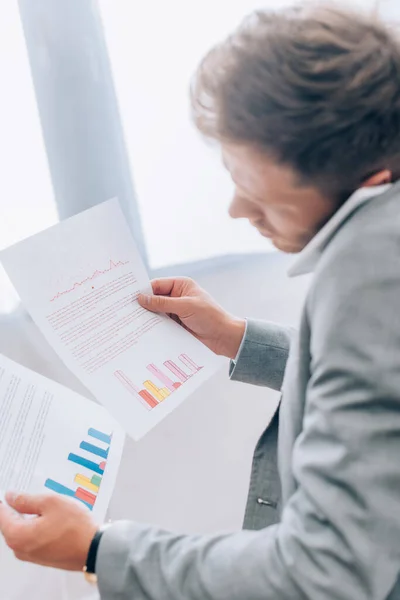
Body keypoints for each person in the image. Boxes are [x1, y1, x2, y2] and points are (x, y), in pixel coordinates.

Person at [1, 3, 400, 598]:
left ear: (369, 182)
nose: (238, 212)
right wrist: (239, 339)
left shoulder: (372, 265)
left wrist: (98, 549)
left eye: (261, 196)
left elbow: (326, 571)